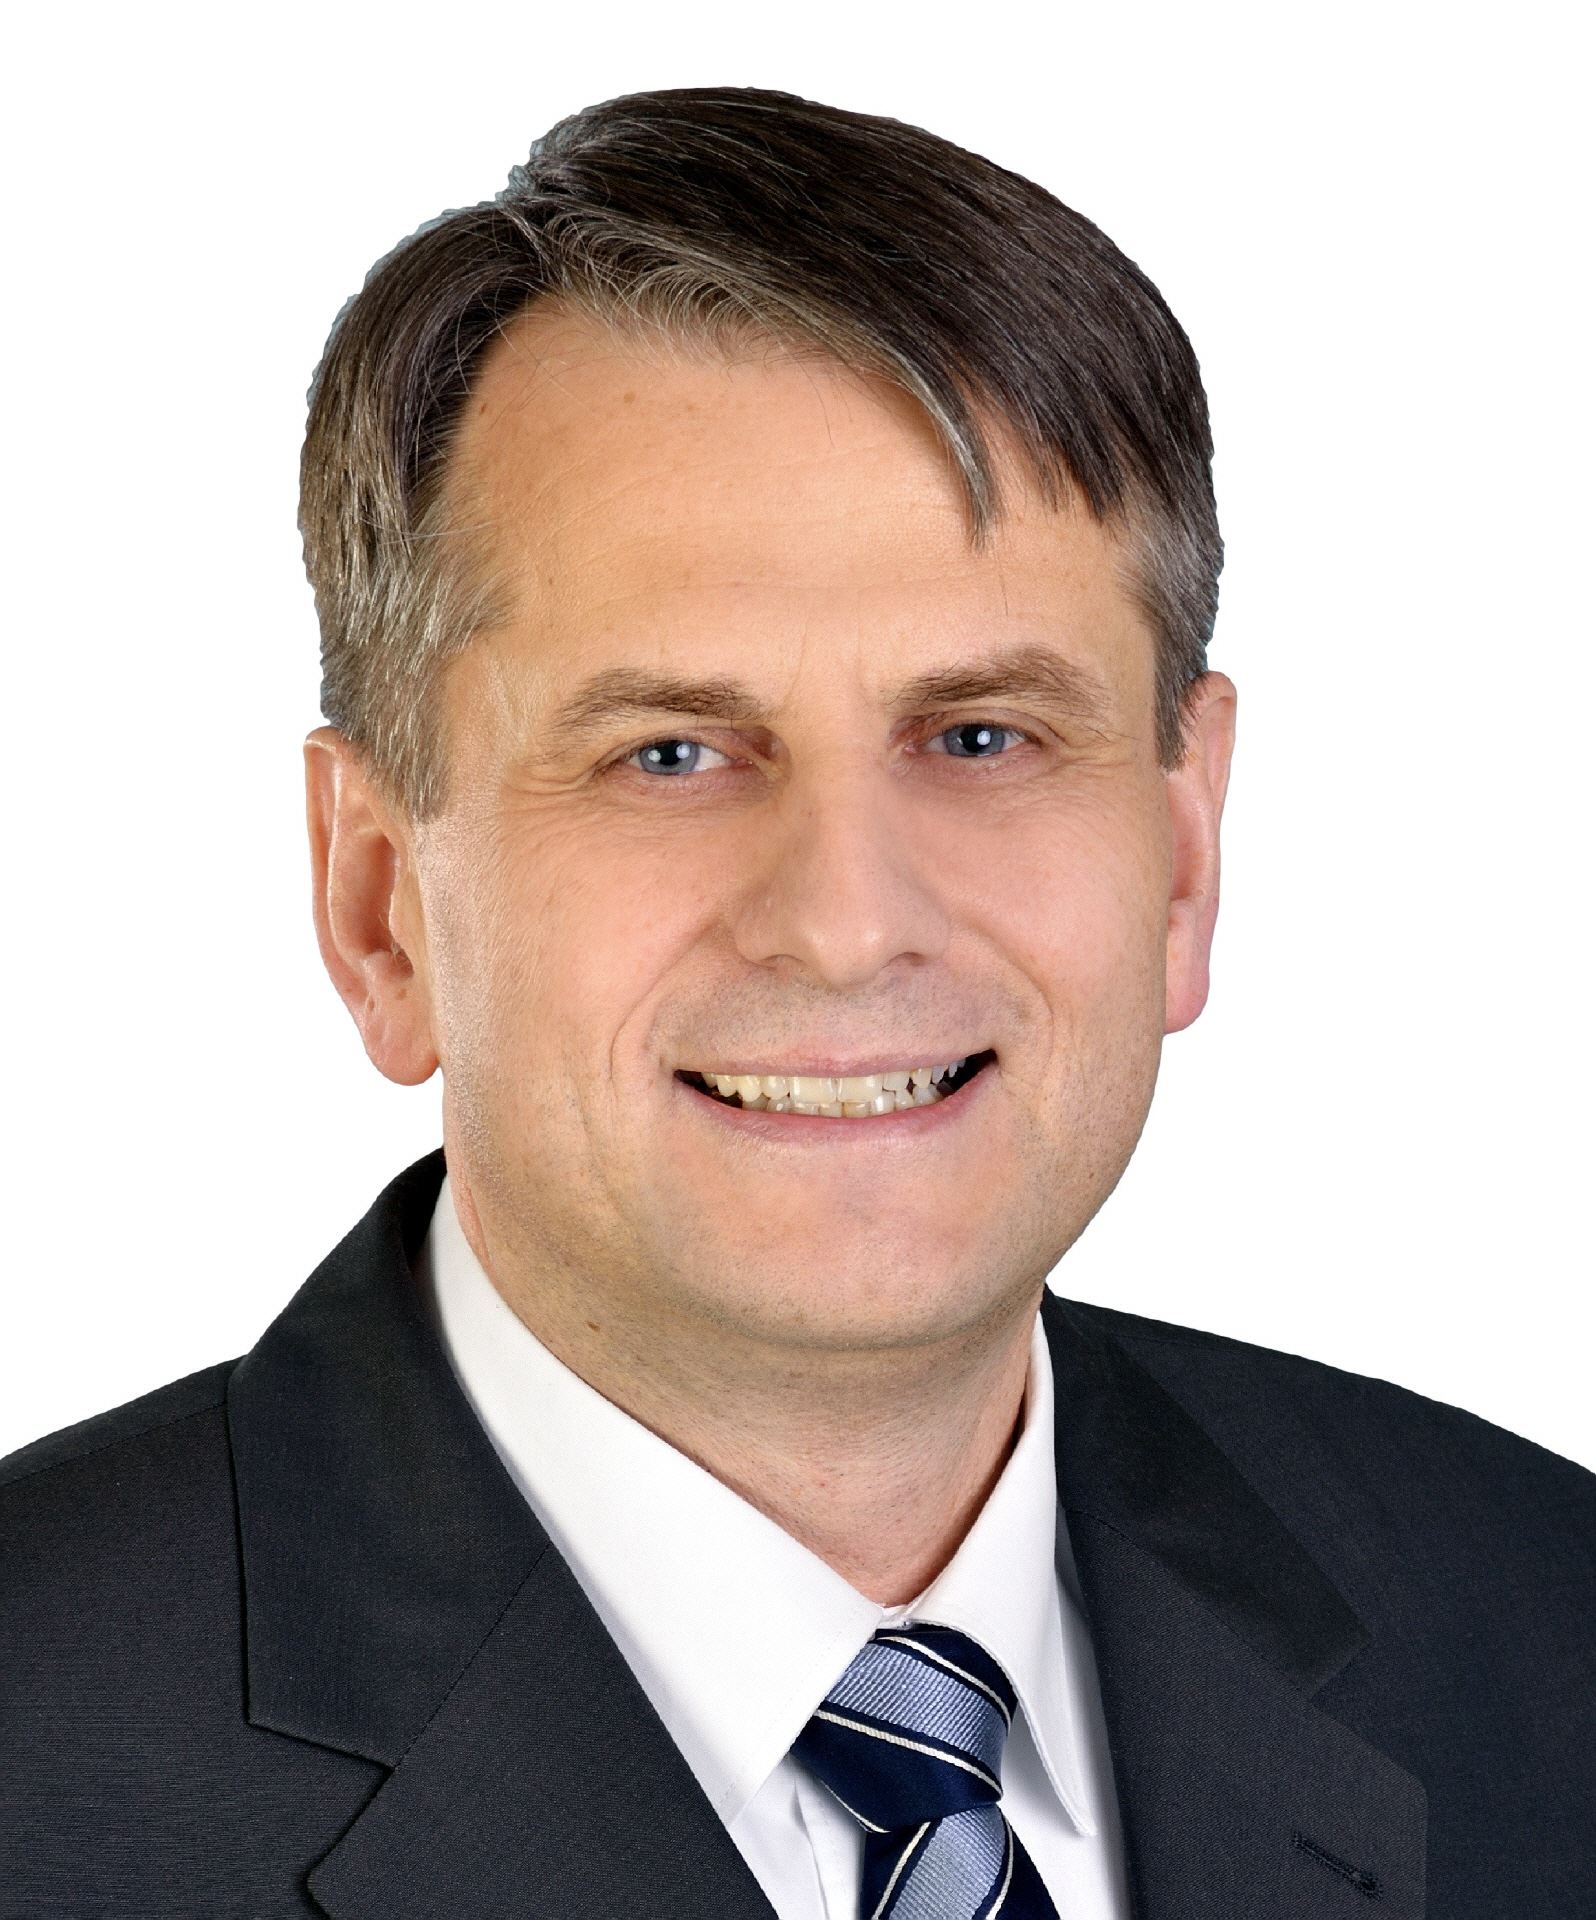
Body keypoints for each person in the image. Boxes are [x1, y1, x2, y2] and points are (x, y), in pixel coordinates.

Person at [2, 84, 1590, 1920]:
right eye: (670, 752)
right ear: (380, 906)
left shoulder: (1546, 1629)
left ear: (1180, 856)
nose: (845, 925)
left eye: (980, 735)